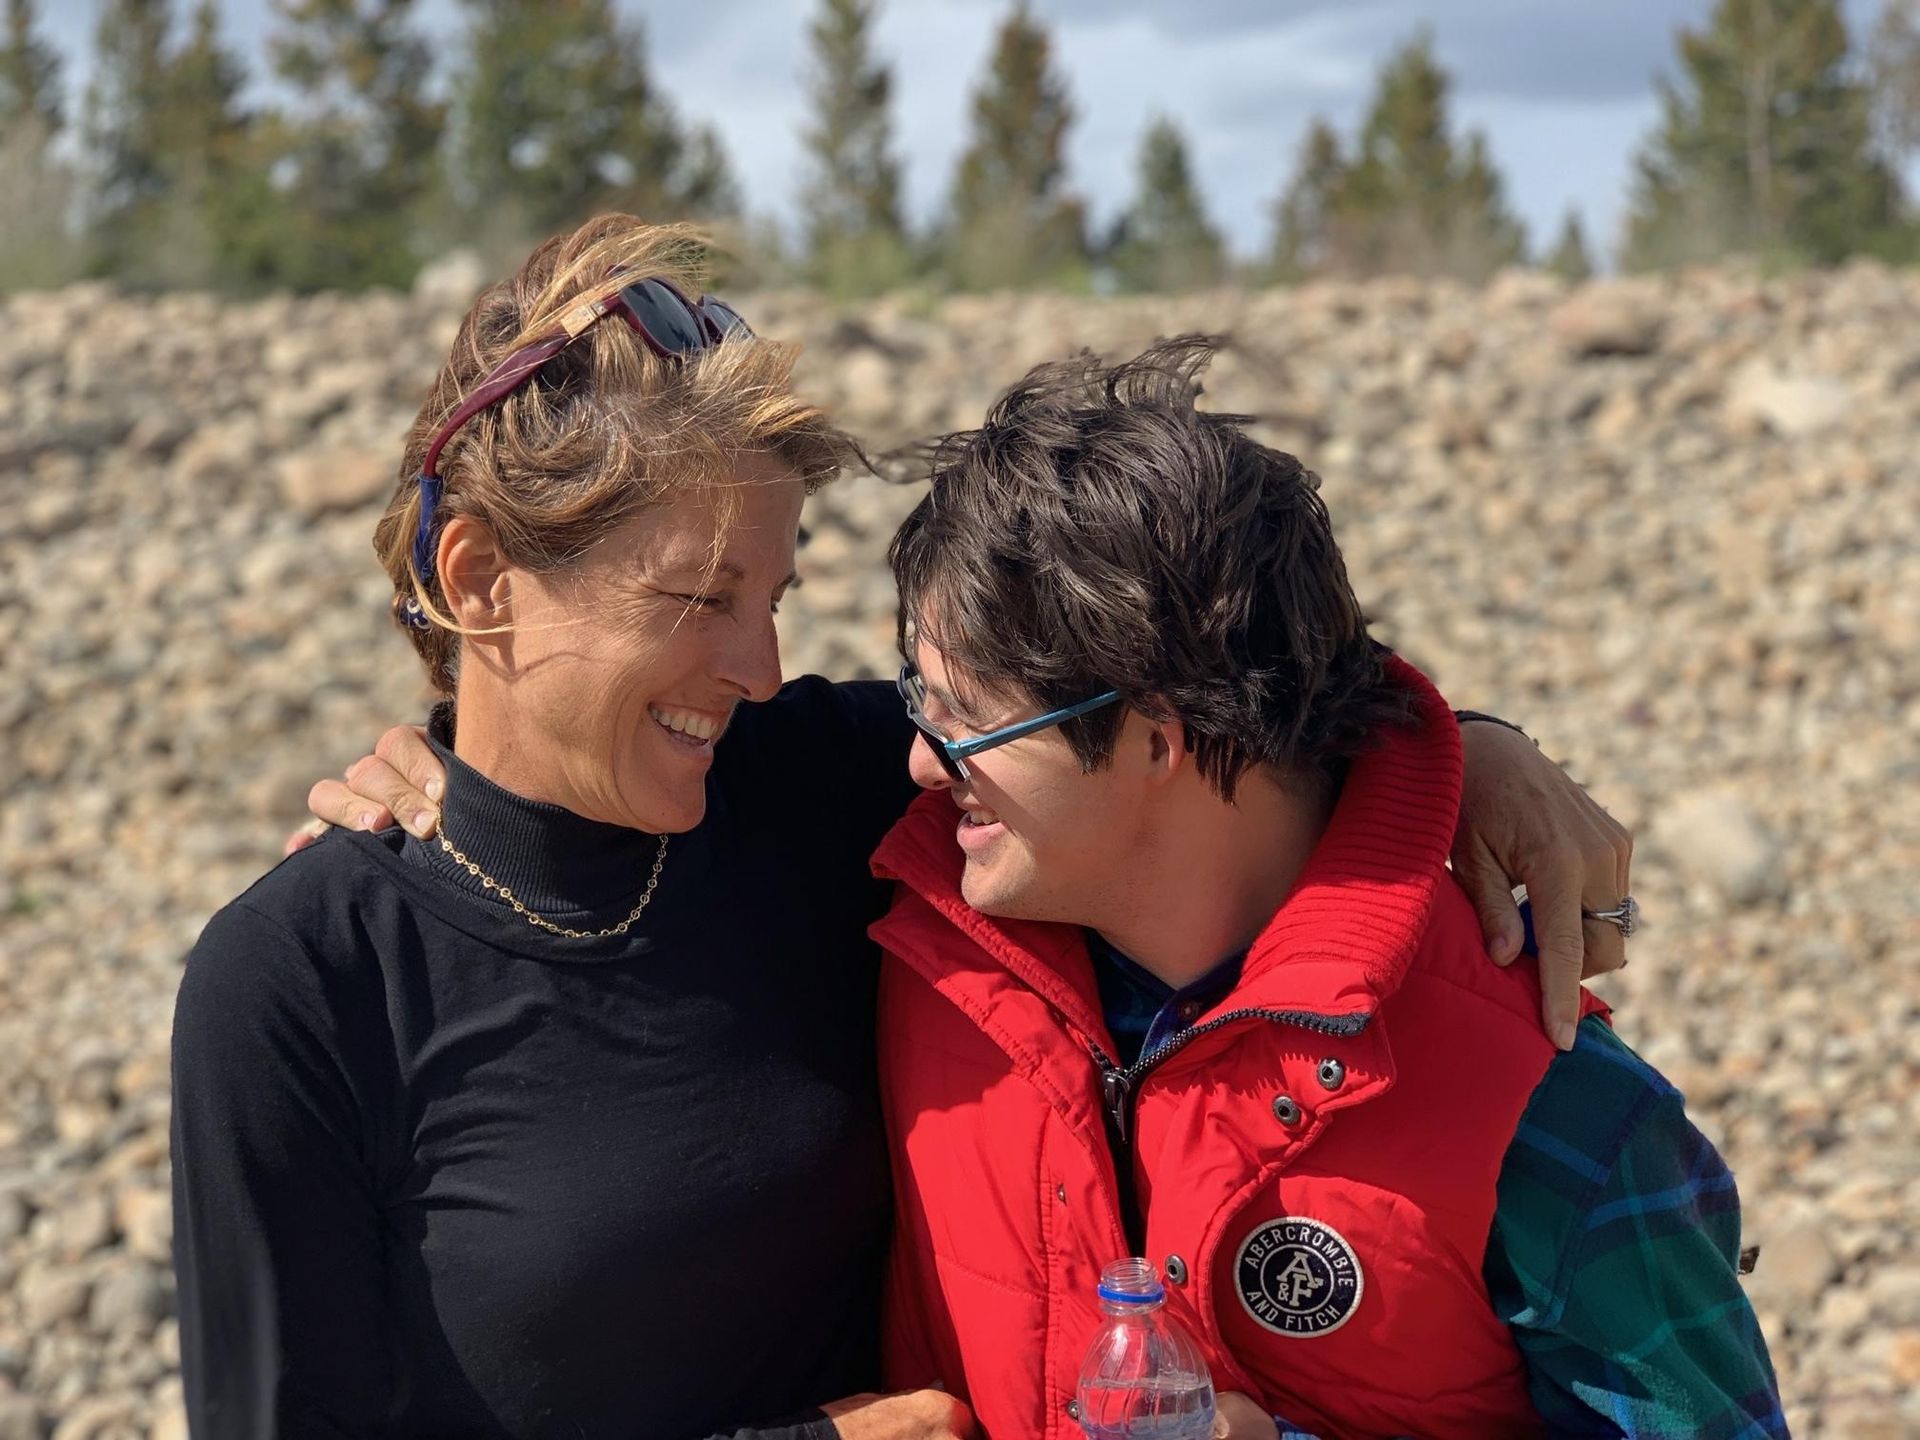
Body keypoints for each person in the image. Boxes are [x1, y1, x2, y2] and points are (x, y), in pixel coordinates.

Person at [211, 215, 1628, 1439]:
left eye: (774, 596)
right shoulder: (305, 980)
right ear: (481, 579)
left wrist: (1465, 749)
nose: (760, 668)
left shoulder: (823, 792)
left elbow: (1181, 679)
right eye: (700, 600)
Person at [868, 340, 1782, 1439]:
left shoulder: (1549, 1109)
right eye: (922, 700)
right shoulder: (915, 932)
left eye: (970, 720)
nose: (924, 760)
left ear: (1159, 741)